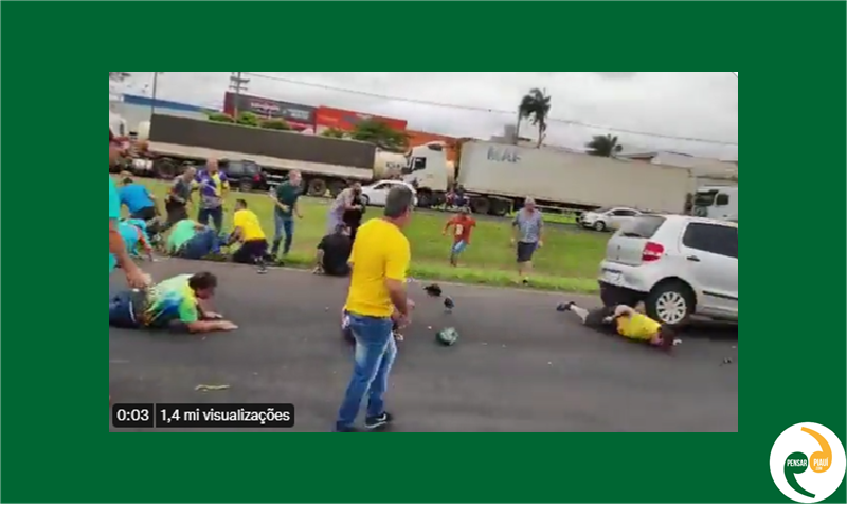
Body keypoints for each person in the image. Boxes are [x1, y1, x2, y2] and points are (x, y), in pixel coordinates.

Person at [335, 185, 414, 432]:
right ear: (407, 210)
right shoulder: (398, 242)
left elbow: (354, 267)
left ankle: (375, 412)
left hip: (356, 309)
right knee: (363, 375)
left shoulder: (366, 229)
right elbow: (394, 286)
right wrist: (404, 311)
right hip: (374, 317)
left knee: (388, 355)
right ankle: (345, 423)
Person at [108, 272, 238, 333]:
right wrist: (219, 324)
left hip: (132, 296)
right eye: (209, 291)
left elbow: (196, 297)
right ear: (199, 288)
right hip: (129, 313)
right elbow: (194, 326)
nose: (211, 294)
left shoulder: (187, 278)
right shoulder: (185, 300)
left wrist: (204, 312)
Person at [110, 133, 149, 288]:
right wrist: (131, 269)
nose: (120, 151)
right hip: (146, 211)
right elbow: (110, 232)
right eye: (115, 145)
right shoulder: (109, 188)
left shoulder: (120, 191)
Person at [561, 302, 675, 352]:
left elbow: (665, 332)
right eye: (659, 343)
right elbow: (626, 309)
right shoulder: (648, 326)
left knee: (591, 320)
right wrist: (613, 316)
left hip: (616, 328)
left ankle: (577, 308)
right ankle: (571, 306)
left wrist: (672, 341)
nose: (656, 345)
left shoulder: (655, 333)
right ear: (659, 335)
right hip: (615, 317)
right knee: (587, 319)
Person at [511, 197, 544, 285]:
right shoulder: (520, 213)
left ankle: (526, 278)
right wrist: (513, 237)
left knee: (527, 259)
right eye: (530, 205)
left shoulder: (538, 215)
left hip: (532, 240)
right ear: (526, 205)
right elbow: (514, 224)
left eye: (533, 205)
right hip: (521, 239)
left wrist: (540, 240)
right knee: (520, 259)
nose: (532, 207)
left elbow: (541, 227)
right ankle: (519, 277)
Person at [270, 170, 303, 259]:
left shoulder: (298, 188)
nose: (300, 179)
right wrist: (282, 206)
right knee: (279, 235)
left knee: (289, 235)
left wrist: (298, 212)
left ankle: (285, 254)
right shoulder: (283, 187)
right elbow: (272, 196)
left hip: (289, 215)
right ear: (292, 178)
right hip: (279, 214)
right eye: (298, 177)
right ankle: (273, 253)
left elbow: (295, 200)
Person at [228, 199, 269, 269]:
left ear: (240, 205)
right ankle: (265, 256)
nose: (234, 207)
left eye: (236, 205)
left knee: (237, 257)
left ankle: (256, 260)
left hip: (251, 242)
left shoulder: (239, 214)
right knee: (255, 252)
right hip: (262, 241)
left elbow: (238, 231)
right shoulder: (252, 214)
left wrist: (229, 242)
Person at [196, 158, 229, 233]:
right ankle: (202, 237)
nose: (212, 166)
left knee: (217, 224)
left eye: (214, 164)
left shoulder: (221, 175)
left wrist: (222, 199)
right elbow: (194, 184)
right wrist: (199, 185)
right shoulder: (201, 173)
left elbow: (226, 188)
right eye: (210, 164)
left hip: (216, 204)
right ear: (206, 164)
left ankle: (216, 237)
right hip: (204, 203)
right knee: (201, 223)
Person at [163, 166, 196, 232]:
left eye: (193, 174)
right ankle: (156, 231)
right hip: (172, 203)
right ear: (185, 172)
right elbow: (170, 191)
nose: (191, 176)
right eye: (190, 174)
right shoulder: (179, 179)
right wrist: (178, 198)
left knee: (183, 221)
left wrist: (190, 201)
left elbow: (189, 192)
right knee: (170, 222)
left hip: (181, 205)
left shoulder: (192, 182)